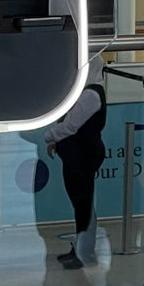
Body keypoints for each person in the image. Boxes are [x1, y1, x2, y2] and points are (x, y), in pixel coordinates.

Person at [43, 70, 109, 270]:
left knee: (84, 204)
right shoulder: (85, 92)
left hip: (82, 155)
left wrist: (49, 135)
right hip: (77, 154)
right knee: (81, 203)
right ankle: (81, 248)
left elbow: (71, 125)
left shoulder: (91, 94)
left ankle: (85, 253)